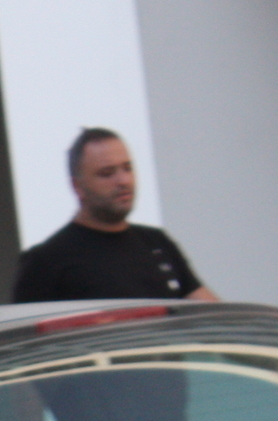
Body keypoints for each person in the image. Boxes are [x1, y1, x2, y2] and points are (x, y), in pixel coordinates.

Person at [12, 129, 221, 303]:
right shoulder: (46, 262)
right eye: (107, 173)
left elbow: (209, 313)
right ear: (78, 186)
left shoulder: (156, 242)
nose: (123, 181)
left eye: (127, 168)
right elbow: (25, 344)